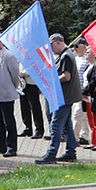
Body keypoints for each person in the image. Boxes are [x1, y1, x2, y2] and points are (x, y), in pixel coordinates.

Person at [35, 34, 82, 164]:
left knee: (55, 125)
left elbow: (66, 76)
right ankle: (70, 152)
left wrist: (52, 81)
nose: (51, 49)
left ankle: (51, 155)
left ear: (58, 43)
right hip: (66, 96)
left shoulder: (66, 56)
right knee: (66, 125)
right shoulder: (66, 54)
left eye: (51, 46)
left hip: (64, 97)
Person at [0, 31, 20, 157]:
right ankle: (1, 144)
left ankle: (11, 146)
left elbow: (15, 74)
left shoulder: (8, 55)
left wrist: (13, 86)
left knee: (9, 122)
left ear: (0, 41)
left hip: (6, 93)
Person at [70, 38, 91, 145]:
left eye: (77, 46)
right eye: (74, 47)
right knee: (83, 115)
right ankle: (84, 135)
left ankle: (74, 137)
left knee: (77, 114)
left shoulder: (88, 58)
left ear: (84, 46)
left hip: (84, 91)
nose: (75, 49)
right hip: (76, 90)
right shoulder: (75, 58)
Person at [18, 64, 46, 138]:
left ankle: (39, 129)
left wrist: (24, 73)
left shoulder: (33, 54)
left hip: (32, 82)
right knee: (24, 106)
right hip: (22, 83)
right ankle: (28, 127)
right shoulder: (20, 54)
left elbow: (36, 67)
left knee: (34, 106)